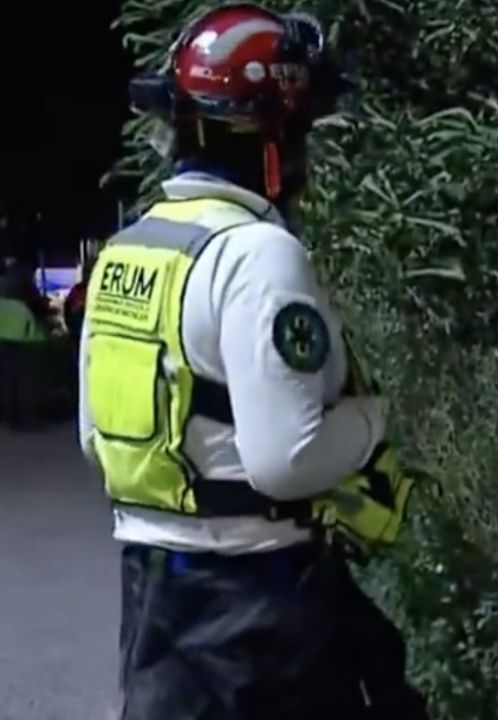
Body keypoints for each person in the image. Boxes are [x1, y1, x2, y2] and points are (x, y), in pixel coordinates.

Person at [78, 5, 424, 718]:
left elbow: (95, 439)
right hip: (254, 606)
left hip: (154, 597)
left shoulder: (134, 250)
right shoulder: (258, 254)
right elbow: (287, 461)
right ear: (273, 140)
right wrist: (377, 417)